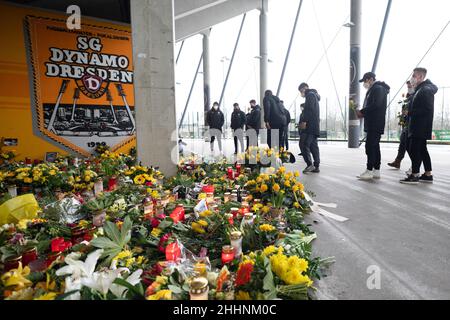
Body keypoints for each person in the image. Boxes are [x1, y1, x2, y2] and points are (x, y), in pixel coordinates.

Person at [400, 67, 438, 185]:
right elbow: (414, 101)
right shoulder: (420, 89)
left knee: (414, 149)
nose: (412, 78)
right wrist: (411, 90)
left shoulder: (425, 90)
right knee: (422, 149)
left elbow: (427, 109)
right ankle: (428, 174)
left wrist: (409, 113)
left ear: (421, 77)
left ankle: (415, 175)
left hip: (420, 126)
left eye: (414, 76)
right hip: (418, 125)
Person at [356, 72, 390, 180]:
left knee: (370, 147)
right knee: (375, 146)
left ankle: (369, 170)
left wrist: (362, 111)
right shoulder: (374, 89)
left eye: (365, 81)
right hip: (373, 122)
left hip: (375, 123)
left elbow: (376, 104)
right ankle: (376, 170)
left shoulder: (378, 88)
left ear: (370, 79)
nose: (364, 84)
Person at [387, 81, 414, 169]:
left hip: (412, 125)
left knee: (410, 147)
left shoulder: (415, 95)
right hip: (405, 124)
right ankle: (398, 161)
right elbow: (405, 109)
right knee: (402, 143)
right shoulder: (408, 96)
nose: (408, 87)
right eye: (407, 86)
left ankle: (414, 166)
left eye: (410, 85)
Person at [298, 83, 321, 174]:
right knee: (313, 146)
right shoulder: (314, 95)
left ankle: (309, 164)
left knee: (303, 144)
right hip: (314, 125)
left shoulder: (310, 95)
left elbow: (309, 110)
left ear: (305, 88)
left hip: (310, 126)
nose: (301, 93)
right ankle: (316, 166)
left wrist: (304, 121)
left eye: (301, 91)